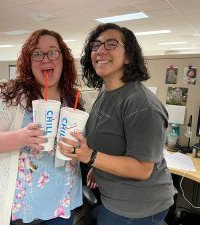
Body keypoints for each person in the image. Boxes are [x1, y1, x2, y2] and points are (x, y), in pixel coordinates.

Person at [58, 23, 176, 225]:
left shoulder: (142, 105)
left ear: (128, 56)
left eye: (111, 44)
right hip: (114, 197)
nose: (100, 50)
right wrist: (99, 167)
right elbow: (111, 139)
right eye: (95, 45)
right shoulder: (107, 92)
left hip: (136, 208)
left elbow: (142, 169)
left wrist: (91, 157)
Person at [0, 29, 84, 225]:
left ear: (63, 58)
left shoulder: (72, 97)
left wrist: (80, 146)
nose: (45, 59)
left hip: (62, 202)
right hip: (23, 208)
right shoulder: (11, 95)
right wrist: (22, 137)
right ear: (29, 60)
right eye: (37, 53)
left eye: (53, 52)